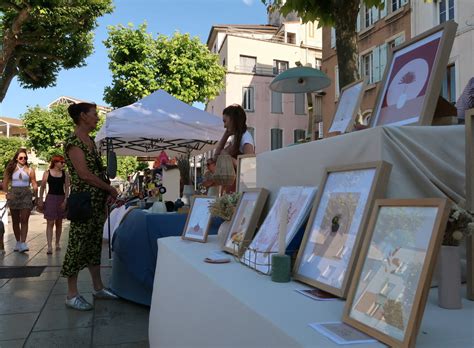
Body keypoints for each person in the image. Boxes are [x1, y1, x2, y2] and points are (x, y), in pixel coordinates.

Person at [61, 102, 119, 311]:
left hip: (95, 201)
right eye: (94, 114)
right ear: (83, 116)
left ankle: (98, 287)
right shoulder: (74, 142)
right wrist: (109, 189)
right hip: (84, 200)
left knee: (94, 244)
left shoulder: (91, 141)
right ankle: (71, 294)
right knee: (78, 245)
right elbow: (84, 174)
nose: (97, 118)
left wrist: (104, 190)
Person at [2, 149, 38, 253]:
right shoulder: (11, 168)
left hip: (26, 194)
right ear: (17, 158)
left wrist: (36, 196)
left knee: (24, 219)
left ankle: (23, 243)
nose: (23, 159)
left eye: (25, 158)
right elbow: (5, 183)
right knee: (15, 220)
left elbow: (34, 183)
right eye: (21, 157)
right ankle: (18, 242)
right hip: (14, 194)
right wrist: (7, 194)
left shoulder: (30, 170)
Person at [214, 104, 255, 192]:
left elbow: (250, 167)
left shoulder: (246, 138)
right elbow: (216, 157)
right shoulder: (236, 139)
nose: (224, 125)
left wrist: (228, 157)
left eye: (225, 121)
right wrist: (226, 135)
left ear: (233, 120)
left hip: (242, 188)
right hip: (233, 188)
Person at [38, 155, 70, 254]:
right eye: (61, 162)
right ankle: (49, 246)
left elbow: (67, 188)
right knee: (50, 222)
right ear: (55, 162)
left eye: (64, 162)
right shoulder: (47, 173)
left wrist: (65, 200)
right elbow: (43, 186)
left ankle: (57, 243)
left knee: (59, 222)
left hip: (61, 198)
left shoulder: (65, 173)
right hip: (51, 198)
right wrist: (40, 198)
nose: (63, 164)